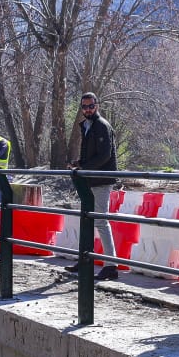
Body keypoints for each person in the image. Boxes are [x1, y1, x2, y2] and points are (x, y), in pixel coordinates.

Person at [66, 92, 118, 281]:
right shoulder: (88, 126)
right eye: (84, 107)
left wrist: (84, 168)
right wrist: (79, 163)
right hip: (90, 179)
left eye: (91, 106)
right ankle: (85, 258)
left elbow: (105, 156)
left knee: (101, 221)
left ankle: (111, 265)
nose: (87, 110)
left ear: (97, 105)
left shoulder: (102, 126)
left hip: (101, 180)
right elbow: (93, 155)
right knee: (87, 219)